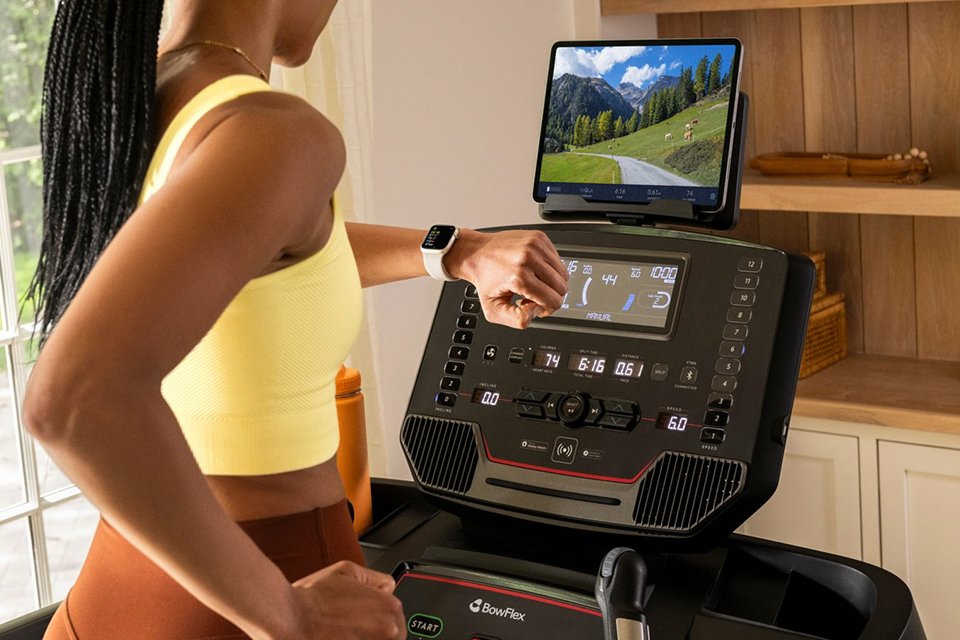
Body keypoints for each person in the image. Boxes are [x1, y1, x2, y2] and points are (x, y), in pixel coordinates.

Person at [23, 1, 568, 638]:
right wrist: (286, 613)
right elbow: (72, 400)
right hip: (266, 584)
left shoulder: (139, 91)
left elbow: (258, 250)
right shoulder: (275, 131)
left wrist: (455, 251)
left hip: (119, 590)